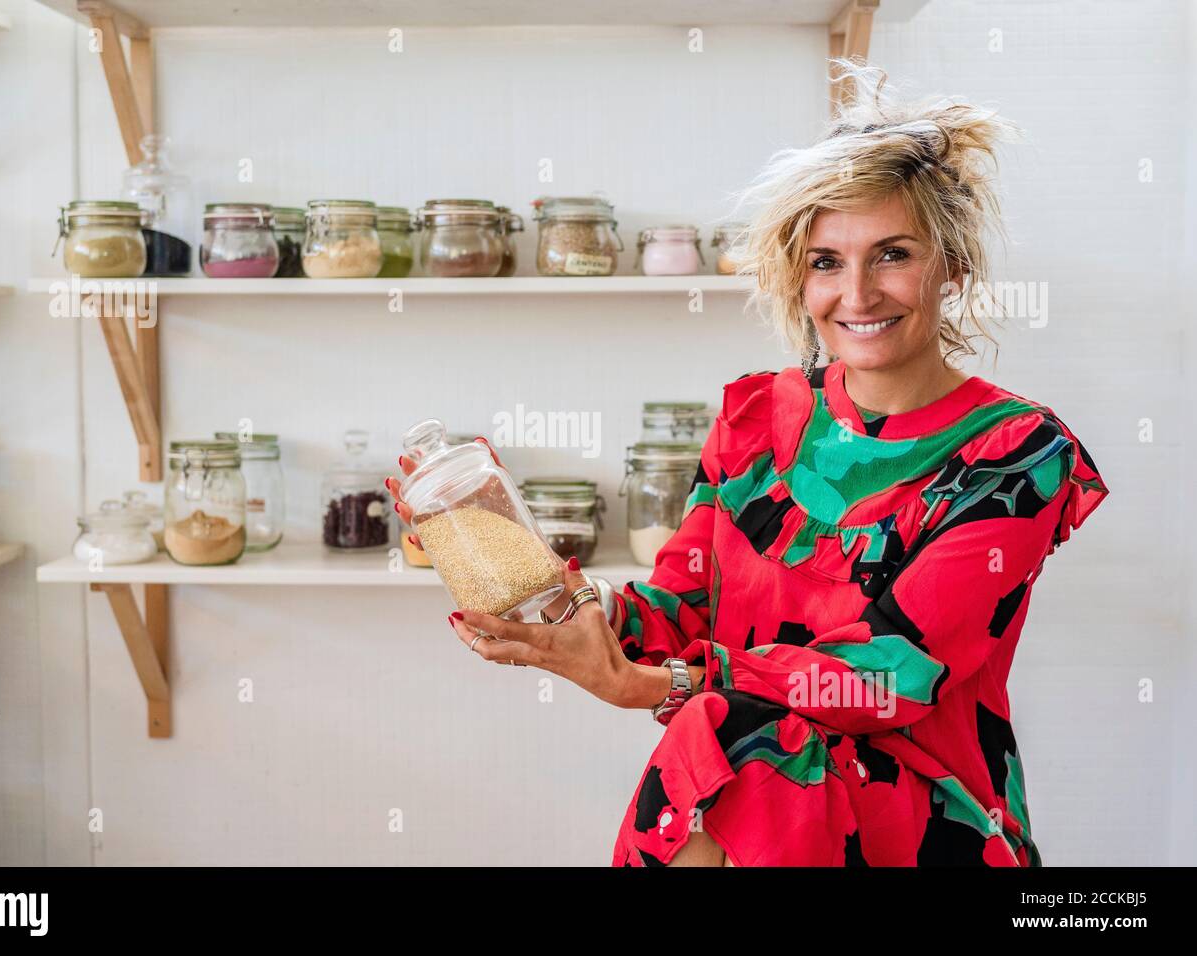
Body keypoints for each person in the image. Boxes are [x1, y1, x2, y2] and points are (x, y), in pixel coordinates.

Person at [386, 61, 1109, 866]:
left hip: (928, 811)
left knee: (737, 734)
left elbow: (889, 675)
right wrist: (539, 583)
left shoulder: (1016, 453)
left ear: (955, 266)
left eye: (893, 254)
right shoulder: (759, 418)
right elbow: (680, 610)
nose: (858, 293)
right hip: (759, 793)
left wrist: (669, 688)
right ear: (799, 277)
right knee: (742, 738)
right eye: (827, 261)